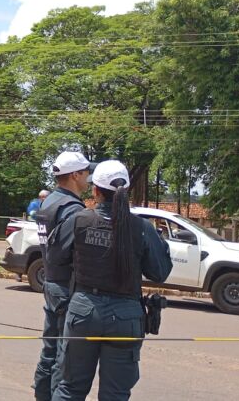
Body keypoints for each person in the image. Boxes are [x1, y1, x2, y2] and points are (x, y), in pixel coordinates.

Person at [51, 160, 173, 400]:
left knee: (70, 388)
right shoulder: (142, 228)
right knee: (116, 394)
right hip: (126, 318)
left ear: (95, 191)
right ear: (125, 191)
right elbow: (159, 272)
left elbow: (55, 257)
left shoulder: (79, 220)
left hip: (83, 311)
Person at [32, 151, 95, 401]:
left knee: (49, 349)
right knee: (63, 354)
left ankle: (41, 395)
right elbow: (75, 252)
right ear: (75, 175)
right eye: (86, 172)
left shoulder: (49, 201)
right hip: (66, 285)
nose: (89, 178)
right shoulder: (71, 208)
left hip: (52, 280)